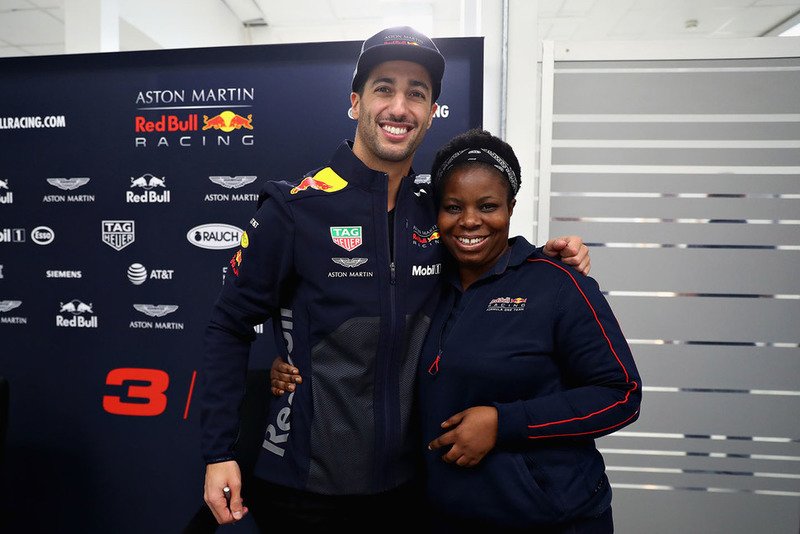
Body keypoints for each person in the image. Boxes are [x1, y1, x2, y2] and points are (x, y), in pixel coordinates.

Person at [201, 26, 591, 530]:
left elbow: (494, 264)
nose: (399, 107)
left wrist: (557, 258)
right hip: (306, 491)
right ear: (355, 101)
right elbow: (229, 326)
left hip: (414, 490)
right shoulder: (294, 209)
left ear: (431, 114)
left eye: (417, 93)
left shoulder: (438, 213)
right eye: (384, 88)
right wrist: (218, 452)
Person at [421, 129, 641, 532]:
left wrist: (504, 423)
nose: (470, 220)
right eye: (454, 207)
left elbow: (620, 394)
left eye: (488, 206)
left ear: (510, 207)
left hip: (554, 520)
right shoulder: (425, 288)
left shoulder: (559, 285)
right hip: (449, 518)